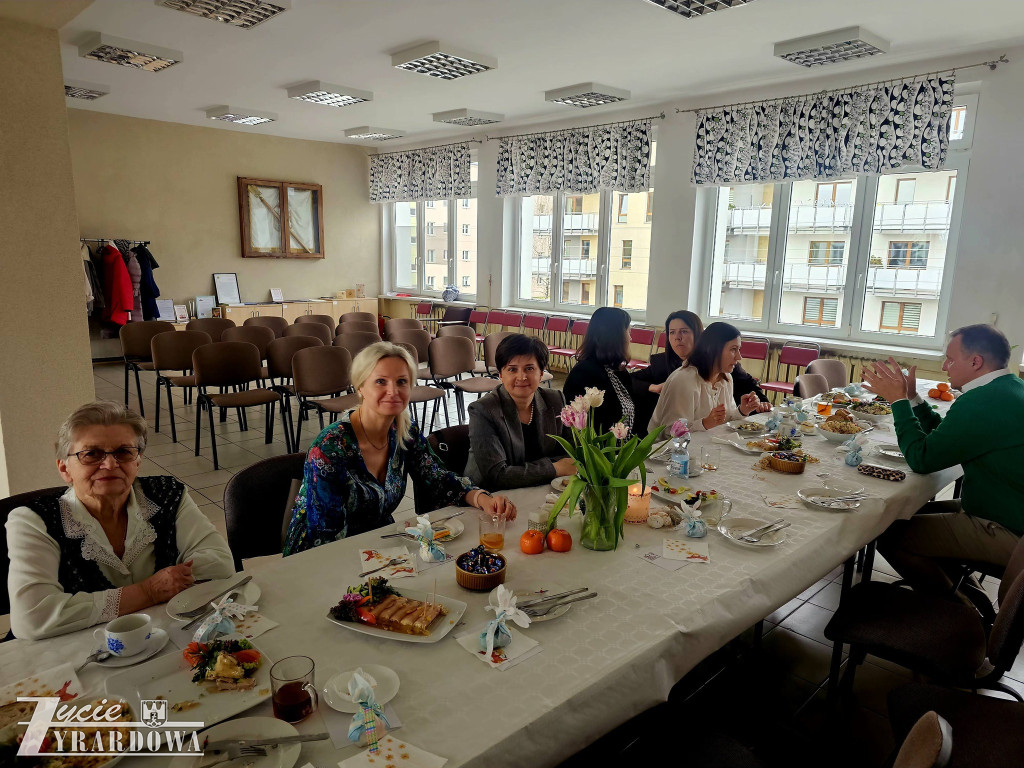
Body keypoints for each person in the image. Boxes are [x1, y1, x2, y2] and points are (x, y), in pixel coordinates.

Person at [6, 402, 234, 640]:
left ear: (138, 461)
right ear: (65, 469)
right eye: (91, 454)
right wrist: (148, 592)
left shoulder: (168, 494)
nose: (110, 464)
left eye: (123, 452)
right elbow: (32, 617)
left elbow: (219, 563)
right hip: (72, 654)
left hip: (164, 637)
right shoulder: (33, 520)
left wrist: (84, 608)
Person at [283, 342, 516, 555]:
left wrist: (480, 498)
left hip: (377, 544)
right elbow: (326, 534)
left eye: (402, 382)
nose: (393, 391)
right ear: (361, 387)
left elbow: (436, 478)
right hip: (319, 556)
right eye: (380, 381)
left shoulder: (404, 430)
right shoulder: (331, 448)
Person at [863, 324, 1024, 597]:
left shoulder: (983, 401)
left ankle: (959, 609)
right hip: (1004, 508)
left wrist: (898, 403)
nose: (945, 367)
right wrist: (913, 398)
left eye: (950, 359)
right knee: (900, 513)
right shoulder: (1009, 387)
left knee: (888, 535)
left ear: (976, 362)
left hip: (1008, 530)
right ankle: (970, 595)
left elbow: (921, 458)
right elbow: (945, 438)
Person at [465, 334, 575, 490]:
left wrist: (522, 472)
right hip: (492, 498)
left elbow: (570, 455)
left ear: (541, 372)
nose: (521, 377)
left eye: (529, 368)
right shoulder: (483, 410)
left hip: (541, 489)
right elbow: (498, 475)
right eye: (512, 369)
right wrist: (554, 468)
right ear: (501, 375)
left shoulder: (555, 400)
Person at [632, 311, 770, 431]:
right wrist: (653, 387)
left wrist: (743, 410)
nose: (677, 337)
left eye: (684, 331)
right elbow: (670, 432)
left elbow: (726, 418)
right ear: (714, 349)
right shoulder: (679, 376)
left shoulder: (726, 375)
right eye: (672, 332)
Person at [563, 307, 636, 434]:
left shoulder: (617, 370)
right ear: (615, 336)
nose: (630, 338)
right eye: (628, 332)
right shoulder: (584, 374)